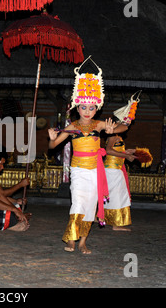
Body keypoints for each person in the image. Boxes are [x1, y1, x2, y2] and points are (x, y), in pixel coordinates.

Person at [48, 59, 129, 254]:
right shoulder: (72, 126)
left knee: (91, 206)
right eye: (83, 107)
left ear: (97, 108)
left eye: (91, 108)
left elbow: (124, 127)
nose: (87, 111)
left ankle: (83, 242)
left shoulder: (99, 125)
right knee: (78, 202)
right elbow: (53, 146)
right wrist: (51, 138)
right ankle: (71, 239)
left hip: (95, 171)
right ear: (77, 107)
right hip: (78, 171)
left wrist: (112, 128)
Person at [104, 134, 136, 231]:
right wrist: (126, 155)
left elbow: (115, 151)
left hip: (115, 169)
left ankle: (101, 217)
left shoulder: (117, 137)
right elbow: (108, 150)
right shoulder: (113, 136)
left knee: (115, 195)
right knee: (117, 196)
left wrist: (126, 152)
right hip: (112, 169)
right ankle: (116, 223)